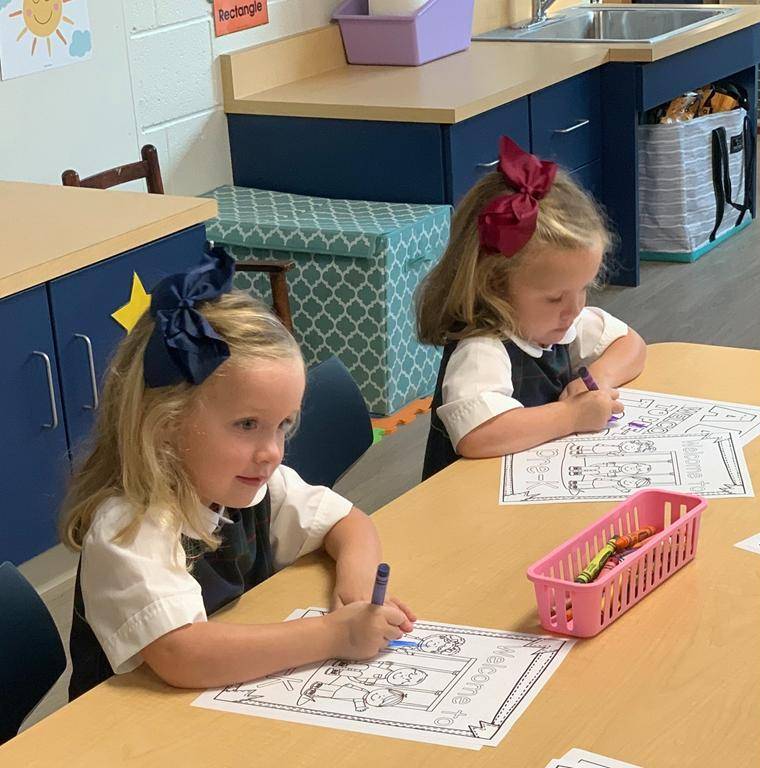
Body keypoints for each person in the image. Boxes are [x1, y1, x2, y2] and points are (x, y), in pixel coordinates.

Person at [61, 248, 415, 698]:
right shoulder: (130, 527)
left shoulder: (252, 482)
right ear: (167, 424)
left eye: (282, 425)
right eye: (247, 425)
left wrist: (356, 588)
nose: (271, 452)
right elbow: (183, 654)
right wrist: (335, 634)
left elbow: (349, 523)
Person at [417, 137, 646, 479]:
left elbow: (632, 345)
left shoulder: (557, 321)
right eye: (555, 297)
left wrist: (596, 380)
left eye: (582, 289)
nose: (574, 309)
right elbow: (479, 436)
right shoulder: (482, 349)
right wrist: (571, 415)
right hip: (470, 512)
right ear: (495, 284)